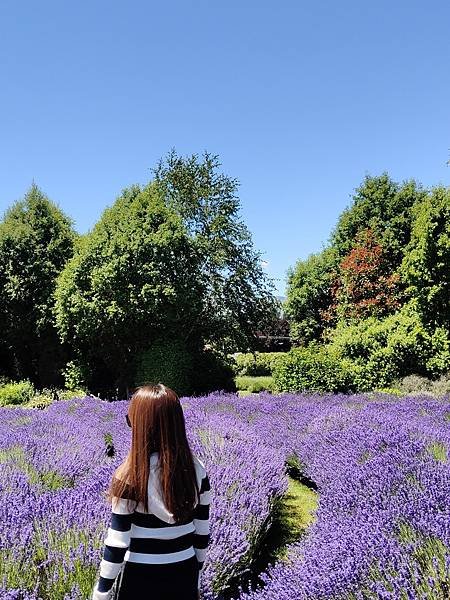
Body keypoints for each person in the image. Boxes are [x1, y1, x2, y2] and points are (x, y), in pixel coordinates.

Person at [91, 383, 211, 600]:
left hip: (140, 577)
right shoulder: (196, 470)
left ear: (139, 426)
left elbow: (117, 543)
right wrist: (197, 571)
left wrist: (102, 591)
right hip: (184, 571)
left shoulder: (129, 476)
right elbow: (202, 531)